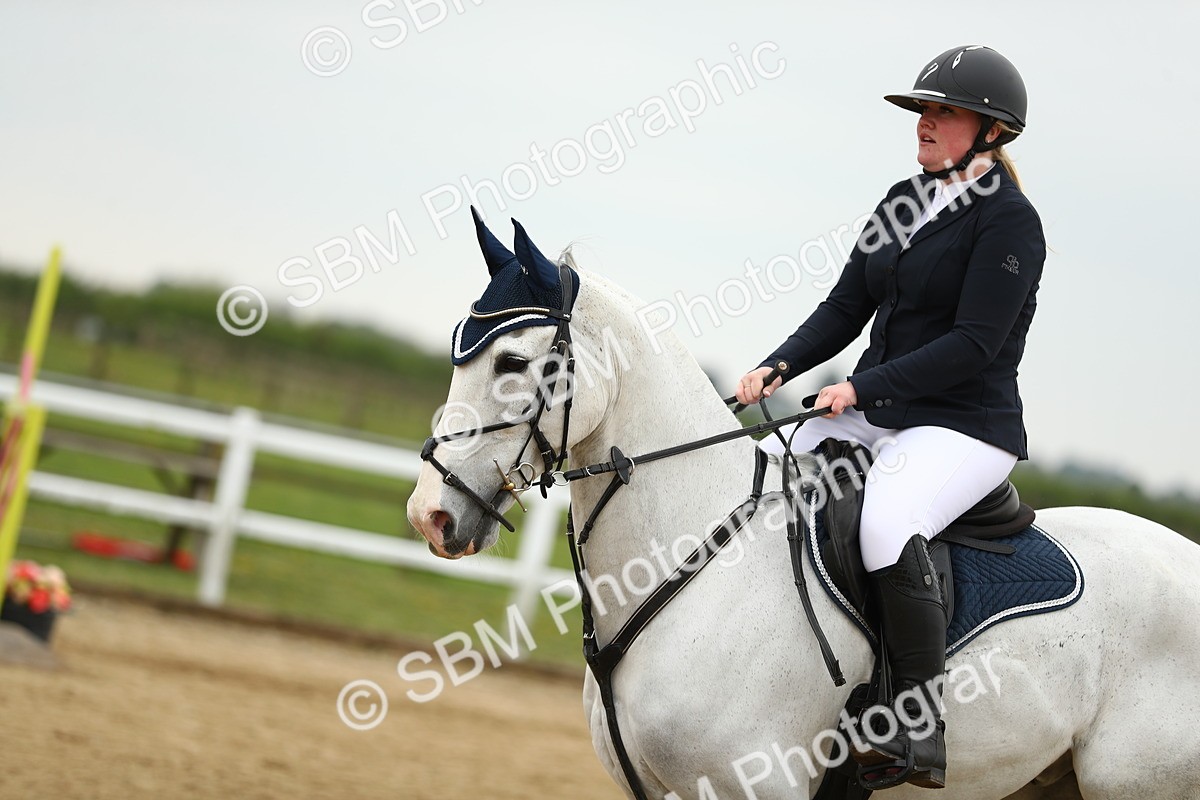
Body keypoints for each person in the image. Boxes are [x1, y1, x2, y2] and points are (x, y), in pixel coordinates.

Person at [734, 45, 1045, 790]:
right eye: (922, 110)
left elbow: (973, 345)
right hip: (881, 406)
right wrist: (776, 366)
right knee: (783, 480)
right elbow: (846, 305)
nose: (925, 123)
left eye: (943, 112)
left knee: (884, 519)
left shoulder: (1011, 226)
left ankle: (916, 723)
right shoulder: (903, 199)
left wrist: (862, 388)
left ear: (993, 130)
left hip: (964, 424)